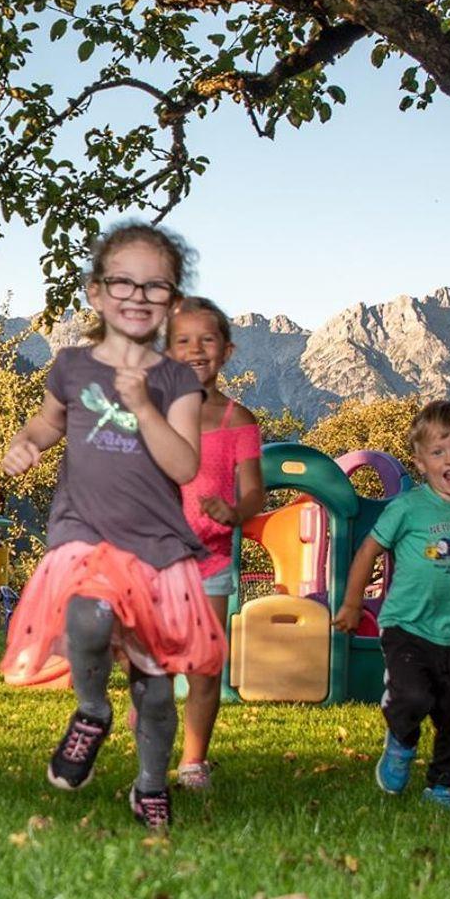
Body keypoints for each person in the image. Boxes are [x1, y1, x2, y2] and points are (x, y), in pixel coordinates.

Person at [0, 222, 227, 832]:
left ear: (172, 301)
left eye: (155, 286)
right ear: (97, 293)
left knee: (155, 685)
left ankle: (150, 784)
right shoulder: (72, 367)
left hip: (154, 548)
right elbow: (49, 422)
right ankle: (92, 710)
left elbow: (184, 465)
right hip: (84, 533)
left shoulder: (176, 380)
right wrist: (28, 442)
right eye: (123, 282)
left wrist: (144, 405)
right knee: (87, 616)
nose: (138, 295)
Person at [334, 399, 450, 810]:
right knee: (411, 697)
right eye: (438, 451)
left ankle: (442, 785)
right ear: (420, 462)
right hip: (407, 628)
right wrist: (351, 604)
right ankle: (401, 741)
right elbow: (368, 551)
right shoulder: (408, 508)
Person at [166, 297, 265, 790]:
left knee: (205, 666)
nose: (195, 350)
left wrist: (235, 512)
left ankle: (192, 762)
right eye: (183, 341)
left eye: (207, 340)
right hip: (155, 561)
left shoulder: (237, 420)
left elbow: (255, 492)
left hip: (211, 560)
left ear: (226, 351)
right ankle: (151, 734)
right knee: (155, 662)